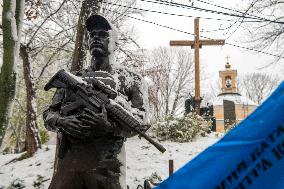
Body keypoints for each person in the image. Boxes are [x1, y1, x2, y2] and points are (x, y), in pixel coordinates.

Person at [43, 14, 149, 189]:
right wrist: (62, 121)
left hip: (106, 170)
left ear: (116, 43)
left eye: (103, 34)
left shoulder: (132, 79)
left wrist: (108, 126)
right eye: (92, 35)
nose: (96, 38)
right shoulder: (72, 78)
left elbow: (142, 121)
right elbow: (48, 113)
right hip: (68, 168)